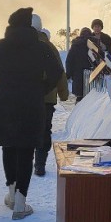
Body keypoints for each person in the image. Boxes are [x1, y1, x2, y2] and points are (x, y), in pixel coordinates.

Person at [0, 7, 63, 219]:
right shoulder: (40, 47)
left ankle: (10, 194)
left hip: (6, 105)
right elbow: (57, 72)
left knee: (9, 147)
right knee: (26, 151)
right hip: (31, 105)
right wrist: (41, 89)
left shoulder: (2, 46)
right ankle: (20, 203)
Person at [31, 16, 69, 177]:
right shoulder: (50, 47)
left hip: (24, 99)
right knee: (44, 131)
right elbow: (59, 71)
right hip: (47, 98)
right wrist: (63, 94)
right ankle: (40, 164)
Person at [65, 27, 93, 102]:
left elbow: (69, 61)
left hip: (78, 76)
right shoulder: (93, 45)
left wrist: (68, 74)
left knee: (79, 99)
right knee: (91, 100)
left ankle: (78, 112)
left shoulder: (75, 45)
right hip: (92, 76)